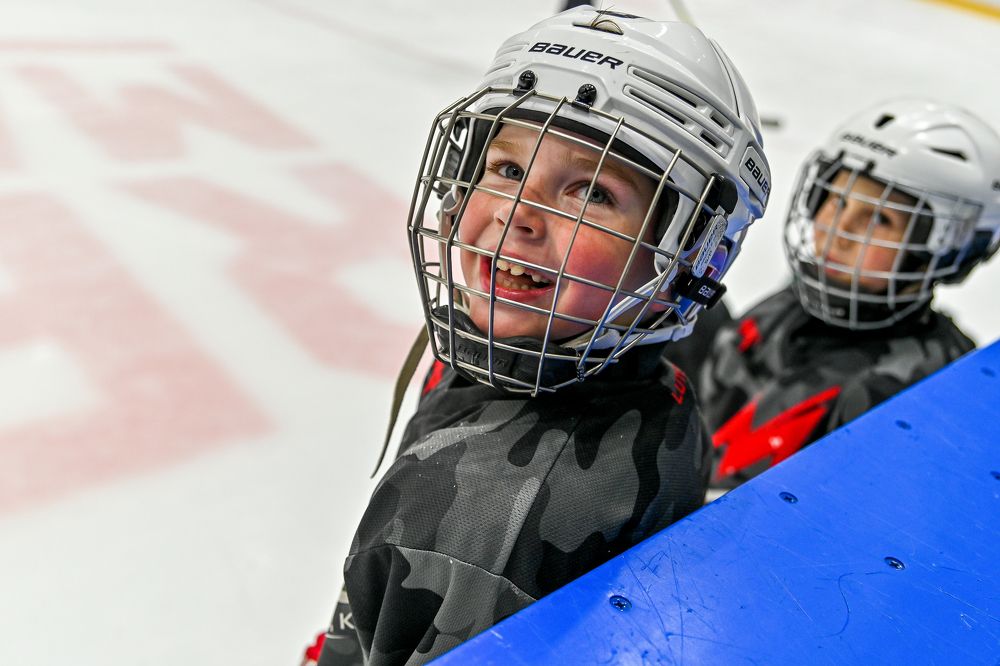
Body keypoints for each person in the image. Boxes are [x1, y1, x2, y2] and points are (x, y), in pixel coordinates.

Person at [309, 7, 771, 665]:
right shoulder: (652, 384)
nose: (517, 213)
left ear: (687, 255)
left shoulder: (471, 532)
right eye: (503, 168)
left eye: (592, 193)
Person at [699, 98, 1000, 491]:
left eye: (879, 218)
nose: (839, 229)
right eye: (837, 200)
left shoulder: (926, 389)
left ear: (947, 247)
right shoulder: (790, 306)